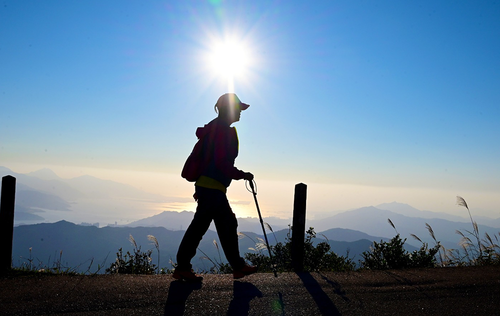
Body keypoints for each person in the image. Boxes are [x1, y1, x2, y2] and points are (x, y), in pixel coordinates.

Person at [173, 93, 257, 282]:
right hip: (212, 189)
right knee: (214, 225)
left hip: (208, 187)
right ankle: (234, 266)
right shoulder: (223, 131)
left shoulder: (215, 129)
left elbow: (210, 160)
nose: (241, 113)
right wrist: (241, 174)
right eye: (239, 109)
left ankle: (235, 266)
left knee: (214, 225)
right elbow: (220, 162)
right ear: (229, 109)